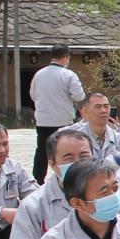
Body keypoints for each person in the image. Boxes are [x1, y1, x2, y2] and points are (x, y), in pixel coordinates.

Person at [27, 45, 86, 183]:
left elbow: (33, 95)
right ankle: (69, 179)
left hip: (43, 121)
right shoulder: (68, 75)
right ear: (66, 58)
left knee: (41, 151)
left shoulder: (38, 74)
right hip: (63, 121)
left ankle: (38, 180)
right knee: (67, 152)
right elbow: (79, 96)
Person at [72, 92, 120, 168]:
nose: (103, 110)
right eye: (98, 107)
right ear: (86, 111)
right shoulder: (76, 139)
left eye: (106, 106)